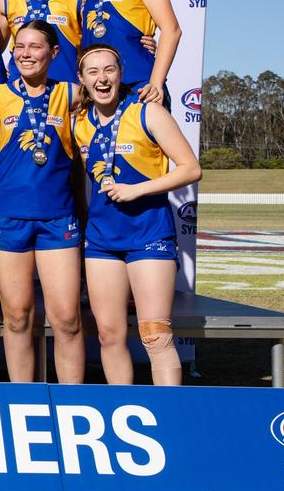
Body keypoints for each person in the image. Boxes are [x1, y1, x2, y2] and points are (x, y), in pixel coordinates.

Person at [73, 44, 200, 385]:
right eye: (93, 72)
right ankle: (124, 408)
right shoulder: (78, 123)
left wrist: (137, 189)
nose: (102, 78)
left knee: (156, 335)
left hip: (149, 235)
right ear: (81, 80)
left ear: (121, 73)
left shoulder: (148, 113)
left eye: (109, 70)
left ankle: (170, 416)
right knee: (109, 335)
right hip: (101, 241)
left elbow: (190, 169)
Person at [0, 21, 84, 383]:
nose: (26, 54)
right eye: (19, 47)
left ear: (54, 53)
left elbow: (114, 89)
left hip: (57, 219)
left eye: (35, 47)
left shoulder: (71, 94)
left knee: (67, 319)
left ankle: (73, 402)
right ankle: (23, 399)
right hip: (7, 219)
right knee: (18, 316)